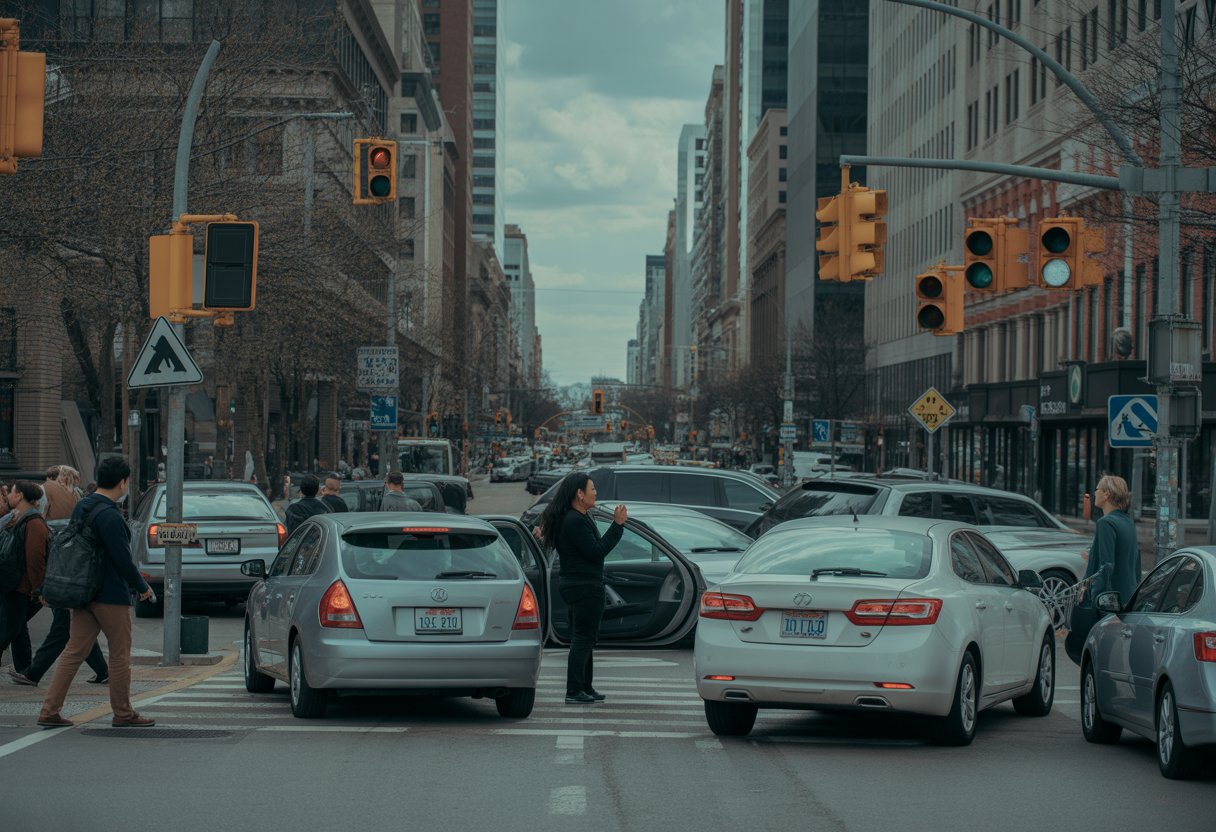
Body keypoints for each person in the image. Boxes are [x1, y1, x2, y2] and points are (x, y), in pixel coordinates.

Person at [37, 456, 155, 728]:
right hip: (109, 593)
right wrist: (142, 586)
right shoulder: (111, 516)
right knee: (120, 655)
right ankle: (123, 713)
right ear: (123, 482)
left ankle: (49, 710)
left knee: (73, 652)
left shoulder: (83, 506)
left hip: (82, 591)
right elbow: (122, 559)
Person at [536, 473, 627, 705]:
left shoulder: (577, 516)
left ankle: (585, 686)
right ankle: (574, 690)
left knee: (586, 637)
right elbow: (597, 551)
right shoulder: (574, 520)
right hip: (583, 586)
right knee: (583, 638)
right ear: (579, 494)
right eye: (592, 489)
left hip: (579, 584)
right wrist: (617, 526)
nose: (595, 493)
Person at [0, 482, 50, 673]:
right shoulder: (19, 518)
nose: (8, 496)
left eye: (11, 492)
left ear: (20, 495)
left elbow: (35, 559)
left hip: (21, 585)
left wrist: (38, 589)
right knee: (17, 627)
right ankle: (25, 669)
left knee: (8, 628)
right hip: (15, 583)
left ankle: (25, 670)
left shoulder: (33, 522)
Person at [1085, 474, 1141, 601]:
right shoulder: (1128, 522)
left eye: (1097, 489)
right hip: (1128, 594)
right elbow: (1134, 560)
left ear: (1106, 494)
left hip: (1110, 600)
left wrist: (1094, 595)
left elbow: (1106, 565)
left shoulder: (1105, 523)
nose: (1095, 493)